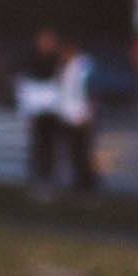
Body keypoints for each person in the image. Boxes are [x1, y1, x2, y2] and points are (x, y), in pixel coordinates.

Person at [15, 27, 65, 192]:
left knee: (51, 146)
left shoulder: (58, 60)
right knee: (38, 145)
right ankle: (37, 179)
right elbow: (24, 85)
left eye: (50, 41)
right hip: (37, 110)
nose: (47, 44)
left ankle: (49, 179)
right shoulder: (31, 60)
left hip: (52, 110)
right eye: (44, 41)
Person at [54, 33, 100, 193]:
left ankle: (88, 185)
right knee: (72, 151)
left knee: (83, 152)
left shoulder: (84, 65)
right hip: (67, 115)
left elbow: (92, 90)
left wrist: (88, 113)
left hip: (81, 115)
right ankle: (77, 183)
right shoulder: (64, 66)